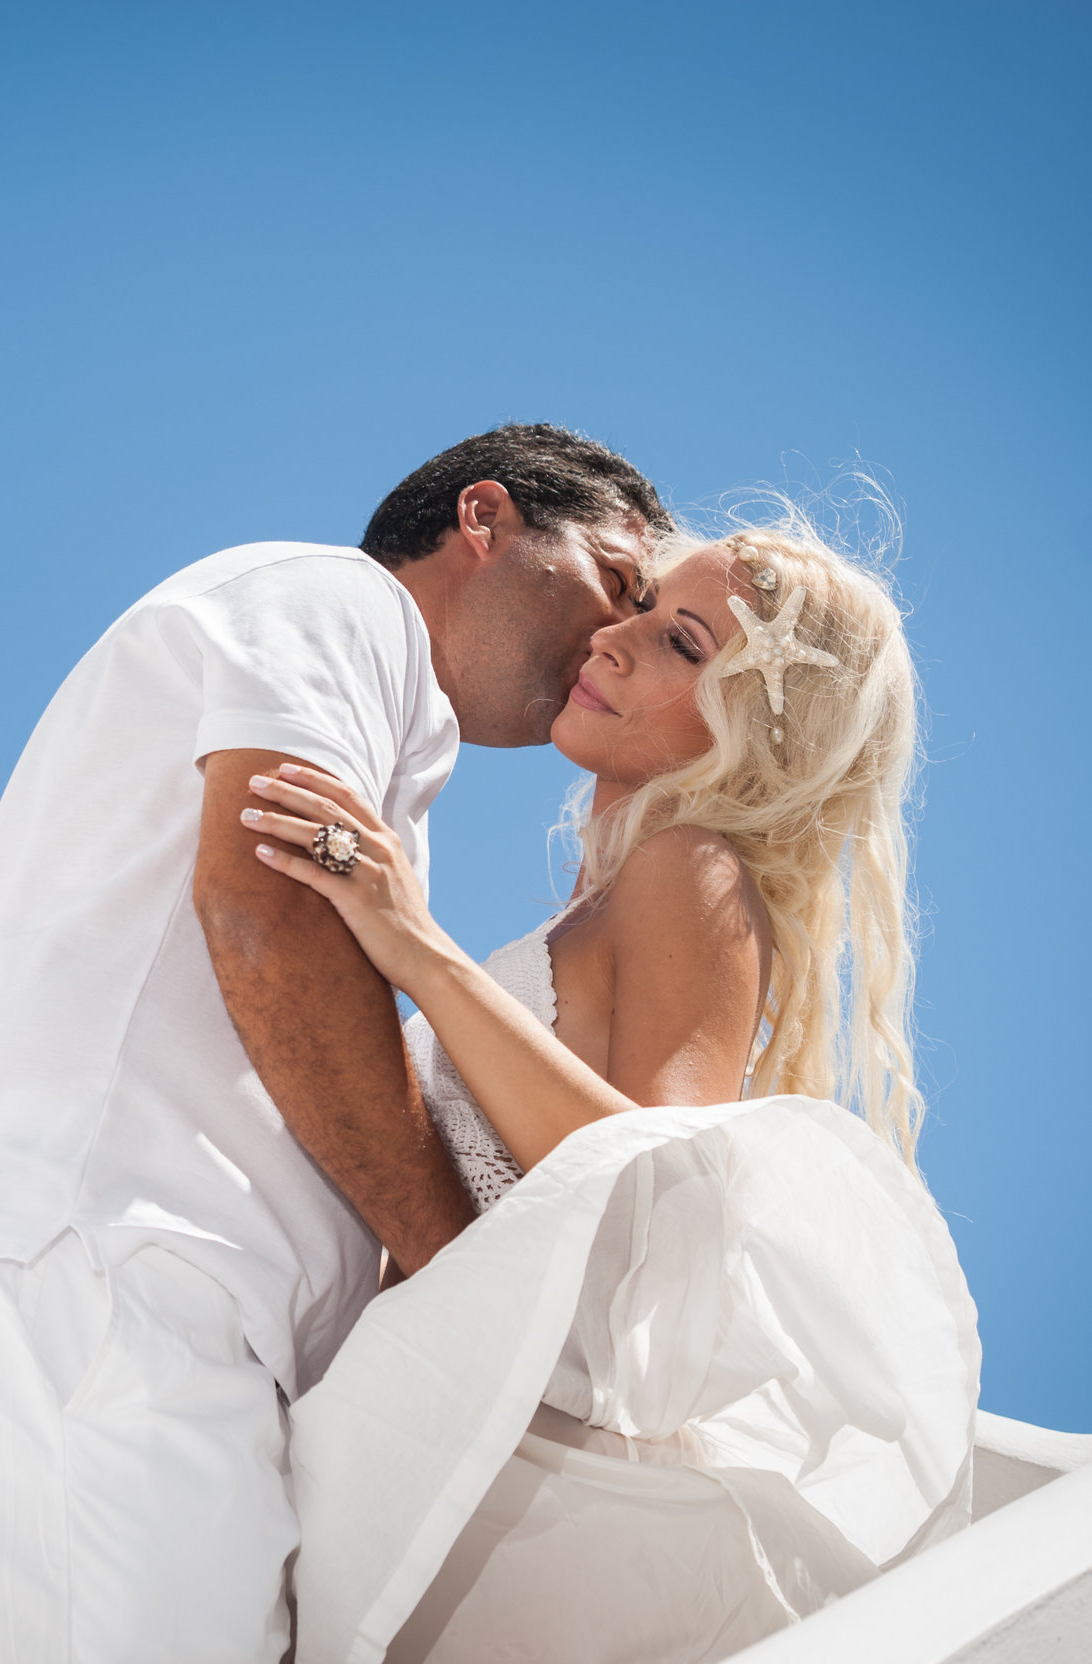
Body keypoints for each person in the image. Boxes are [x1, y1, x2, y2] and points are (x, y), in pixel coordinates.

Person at [0, 424, 669, 1662]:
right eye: (615, 580)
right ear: (483, 519)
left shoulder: (381, 724)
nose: (614, 635)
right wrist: (456, 1262)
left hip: (103, 1300)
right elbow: (264, 900)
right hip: (110, 1285)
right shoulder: (338, 603)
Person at [244, 512, 979, 1663]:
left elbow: (650, 1189)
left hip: (524, 1517)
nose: (613, 641)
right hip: (441, 1459)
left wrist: (412, 946)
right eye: (637, 607)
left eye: (682, 641)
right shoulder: (615, 891)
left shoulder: (693, 868)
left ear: (758, 727)